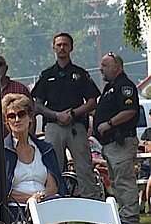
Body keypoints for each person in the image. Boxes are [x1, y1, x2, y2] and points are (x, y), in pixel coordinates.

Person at [0, 93, 66, 224]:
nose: (17, 119)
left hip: (45, 202)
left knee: (55, 205)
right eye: (11, 116)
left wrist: (39, 197)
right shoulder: (1, 152)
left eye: (21, 114)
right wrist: (31, 200)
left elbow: (53, 186)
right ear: (6, 121)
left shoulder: (45, 149)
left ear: (30, 117)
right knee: (52, 211)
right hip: (15, 209)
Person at [30, 32, 102, 199]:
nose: (62, 47)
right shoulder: (47, 75)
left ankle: (92, 207)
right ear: (53, 47)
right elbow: (37, 104)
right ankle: (54, 202)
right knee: (52, 168)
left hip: (76, 126)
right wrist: (57, 115)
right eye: (59, 44)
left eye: (65, 45)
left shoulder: (80, 74)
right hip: (54, 127)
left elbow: (92, 101)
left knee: (84, 167)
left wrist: (72, 113)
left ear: (71, 48)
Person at [95, 52, 141, 224]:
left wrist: (109, 123)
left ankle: (130, 218)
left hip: (121, 142)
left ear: (117, 67)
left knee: (124, 179)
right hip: (111, 144)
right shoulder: (111, 87)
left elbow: (130, 110)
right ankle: (125, 215)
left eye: (105, 65)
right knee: (116, 181)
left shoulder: (124, 86)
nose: (101, 68)